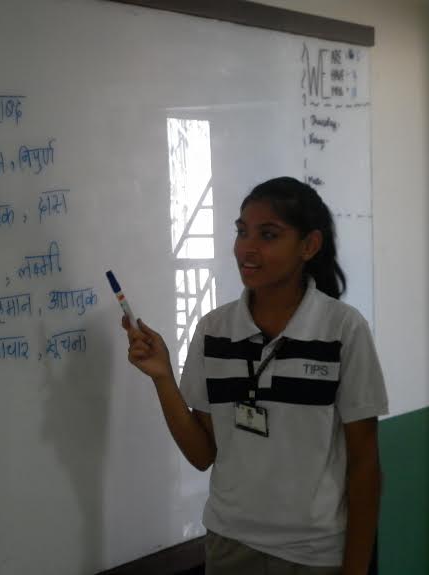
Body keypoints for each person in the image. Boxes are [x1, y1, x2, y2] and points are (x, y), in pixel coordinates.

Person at [123, 177, 388, 575]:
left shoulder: (343, 330)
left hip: (313, 554)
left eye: (268, 235)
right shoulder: (214, 331)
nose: (247, 248)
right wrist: (162, 377)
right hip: (229, 545)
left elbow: (364, 465)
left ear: (309, 246)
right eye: (242, 231)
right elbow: (202, 454)